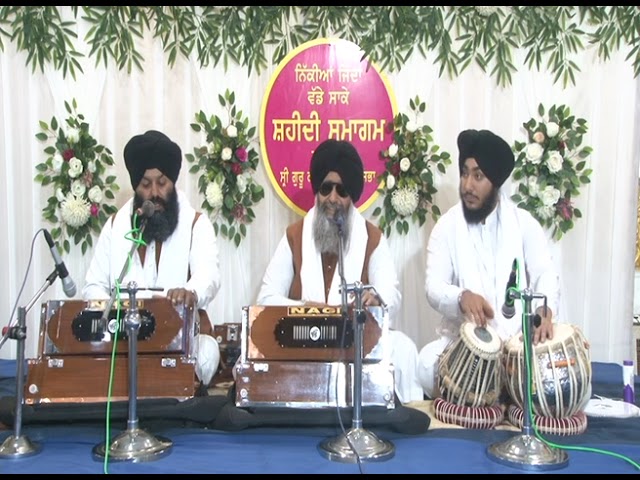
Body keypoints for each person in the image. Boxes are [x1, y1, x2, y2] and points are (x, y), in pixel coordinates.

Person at [256, 138, 424, 404]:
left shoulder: (371, 237)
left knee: (403, 348)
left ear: (352, 196)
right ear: (317, 191)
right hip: (304, 338)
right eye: (326, 188)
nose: (332, 199)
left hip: (354, 340)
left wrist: (375, 299)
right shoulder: (295, 235)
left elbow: (391, 292)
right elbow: (266, 298)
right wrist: (306, 308)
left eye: (342, 191)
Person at [417, 129, 558, 399]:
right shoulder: (447, 226)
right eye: (464, 173)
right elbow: (433, 287)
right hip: (466, 347)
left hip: (519, 346)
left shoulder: (524, 223)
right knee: (425, 365)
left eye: (478, 176)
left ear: (495, 182)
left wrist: (545, 312)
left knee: (569, 382)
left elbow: (545, 274)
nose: (467, 185)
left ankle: (503, 386)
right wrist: (461, 297)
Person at [82, 130, 222, 390]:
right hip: (123, 338)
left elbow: (209, 276)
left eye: (162, 182)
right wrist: (112, 311)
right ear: (136, 187)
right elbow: (94, 285)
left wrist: (190, 292)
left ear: (173, 183)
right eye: (146, 185)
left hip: (178, 338)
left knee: (207, 351)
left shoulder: (195, 224)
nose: (155, 193)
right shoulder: (116, 226)